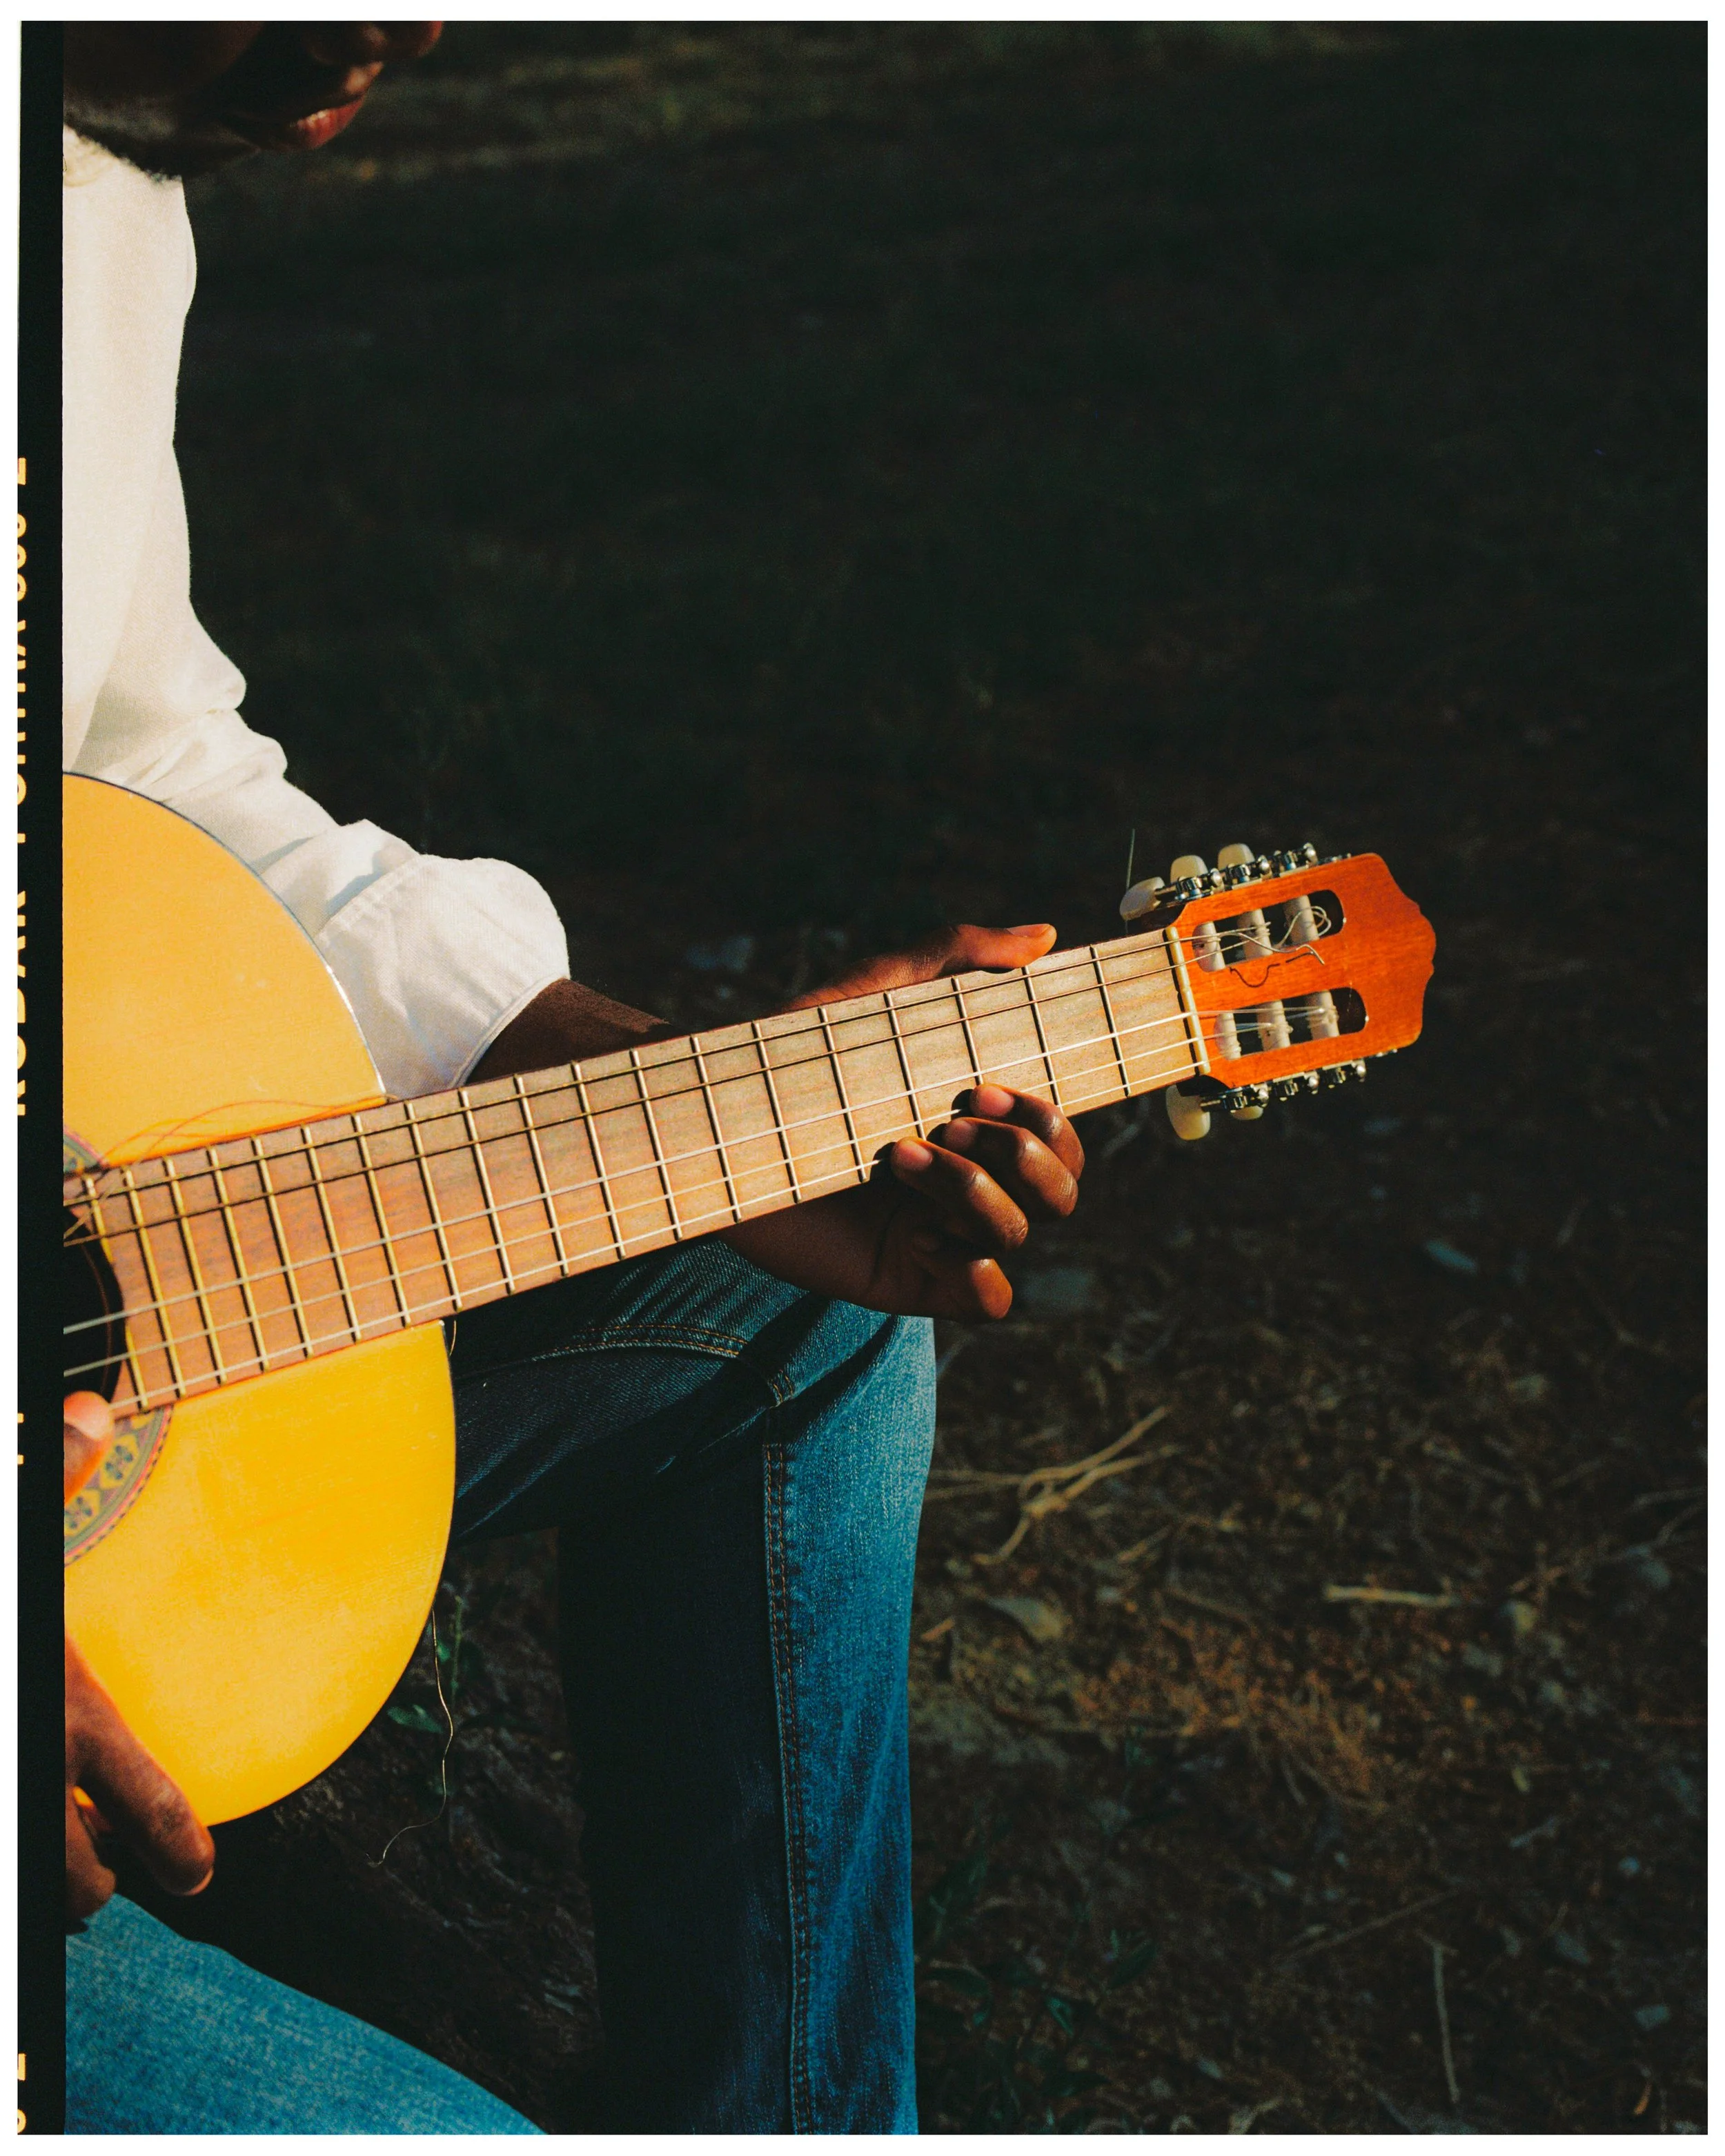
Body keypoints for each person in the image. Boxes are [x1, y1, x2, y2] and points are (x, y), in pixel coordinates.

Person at [59, 24, 1090, 2133]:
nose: (402, 25)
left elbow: (137, 782)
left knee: (779, 1305)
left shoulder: (86, 191)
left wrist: (701, 1107)